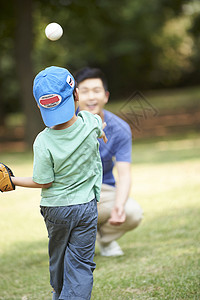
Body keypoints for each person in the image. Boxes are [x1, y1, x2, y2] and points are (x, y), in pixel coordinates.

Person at [10, 66, 107, 300]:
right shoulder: (90, 123)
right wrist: (101, 132)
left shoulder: (43, 140)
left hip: (56, 211)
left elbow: (42, 181)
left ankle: (59, 292)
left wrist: (11, 180)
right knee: (80, 264)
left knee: (58, 258)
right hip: (86, 208)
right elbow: (99, 126)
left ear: (39, 105)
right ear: (76, 95)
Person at [75, 67, 143, 257]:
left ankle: (105, 239)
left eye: (96, 91)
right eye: (85, 91)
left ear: (105, 96)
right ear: (75, 96)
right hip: (71, 191)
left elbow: (124, 173)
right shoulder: (63, 126)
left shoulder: (119, 128)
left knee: (132, 212)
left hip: (103, 190)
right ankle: (76, 241)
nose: (91, 97)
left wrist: (119, 206)